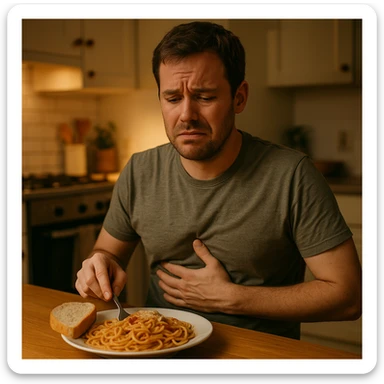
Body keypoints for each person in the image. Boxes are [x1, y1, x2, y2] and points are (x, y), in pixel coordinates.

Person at [75, 21, 362, 340]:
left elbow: (347, 297)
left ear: (239, 98)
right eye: (172, 99)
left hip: (258, 355)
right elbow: (107, 252)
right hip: (155, 345)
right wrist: (99, 263)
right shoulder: (139, 170)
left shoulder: (292, 175)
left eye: (205, 97)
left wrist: (233, 298)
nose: (186, 115)